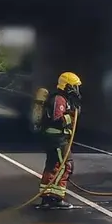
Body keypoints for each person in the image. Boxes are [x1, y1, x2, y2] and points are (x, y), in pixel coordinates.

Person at [36, 72, 82, 210]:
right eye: (74, 86)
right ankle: (56, 198)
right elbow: (57, 119)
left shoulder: (62, 98)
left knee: (52, 166)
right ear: (67, 86)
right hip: (57, 139)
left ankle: (47, 196)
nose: (76, 89)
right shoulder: (59, 99)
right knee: (66, 166)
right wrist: (72, 115)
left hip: (54, 139)